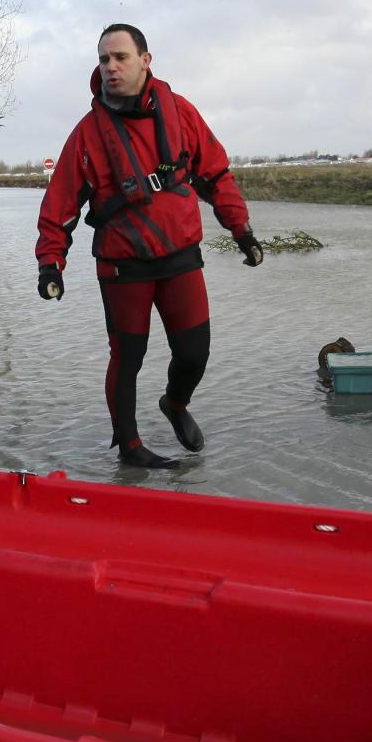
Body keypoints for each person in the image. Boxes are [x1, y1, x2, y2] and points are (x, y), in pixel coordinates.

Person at [34, 23, 264, 469]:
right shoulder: (87, 134)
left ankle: (175, 404)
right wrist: (50, 264)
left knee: (195, 353)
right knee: (128, 357)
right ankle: (130, 447)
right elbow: (60, 203)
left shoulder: (181, 113)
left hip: (180, 258)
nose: (111, 67)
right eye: (103, 60)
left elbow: (215, 175)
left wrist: (242, 231)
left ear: (145, 60)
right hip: (122, 265)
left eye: (120, 57)